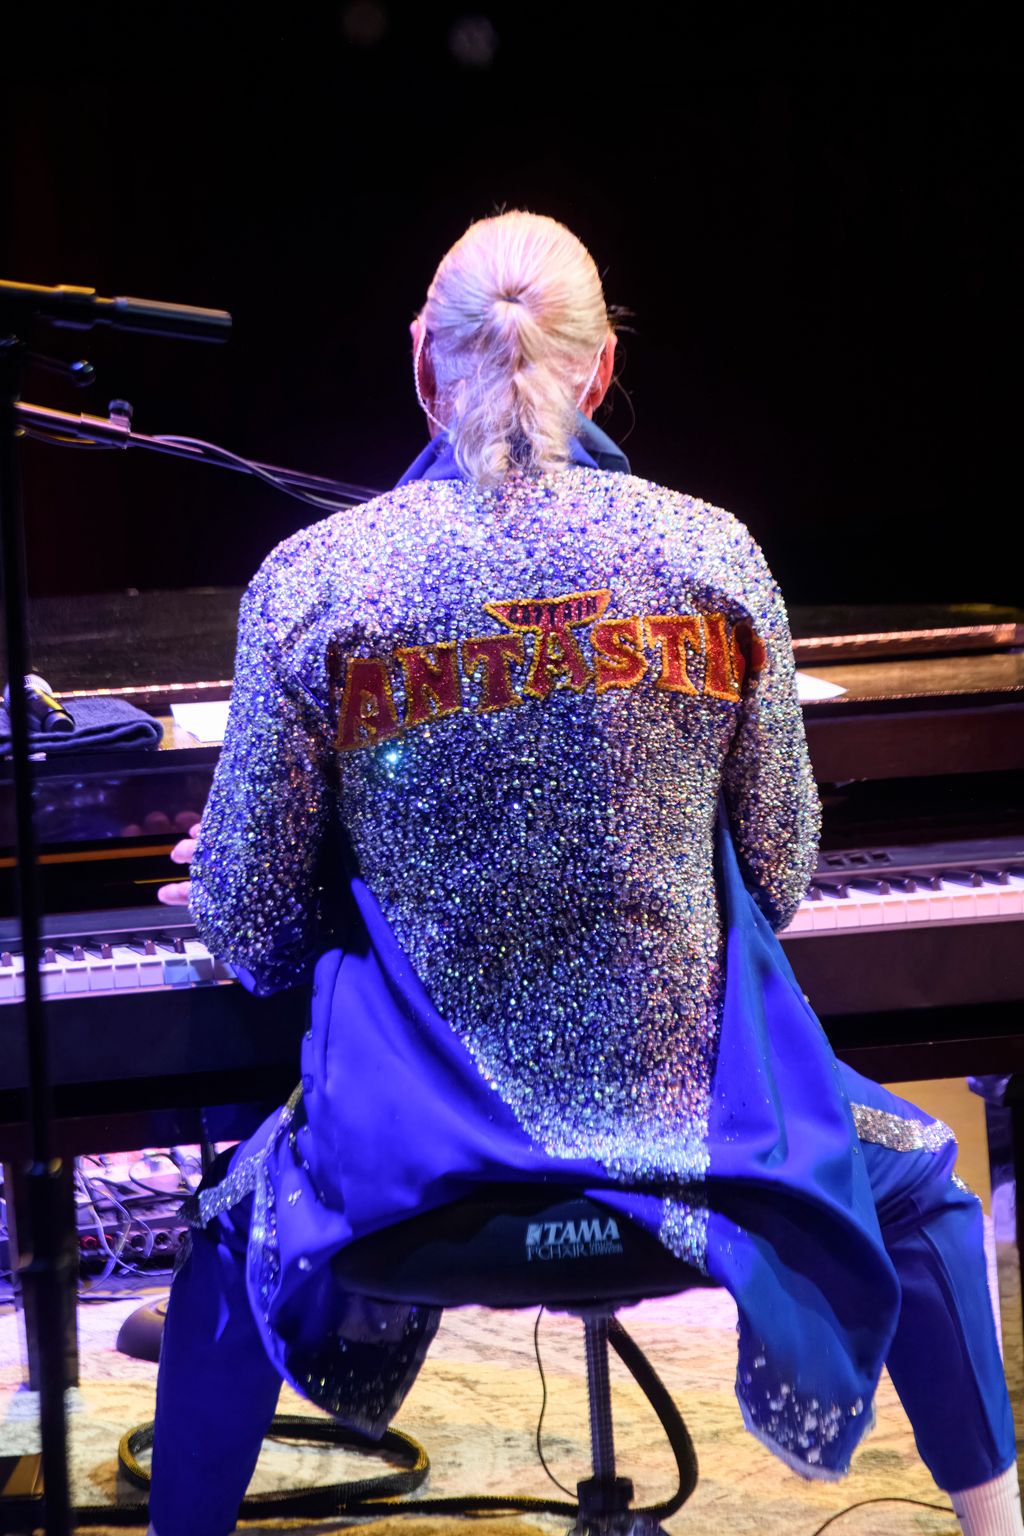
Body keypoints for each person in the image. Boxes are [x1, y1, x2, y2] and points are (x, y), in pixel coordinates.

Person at [147, 211, 1021, 1536]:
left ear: (423, 365)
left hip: (418, 1167)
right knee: (923, 1182)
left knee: (230, 1225)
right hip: (705, 1151)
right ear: (602, 369)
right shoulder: (712, 556)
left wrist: (241, 874)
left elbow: (256, 935)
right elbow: (777, 877)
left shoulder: (313, 583)